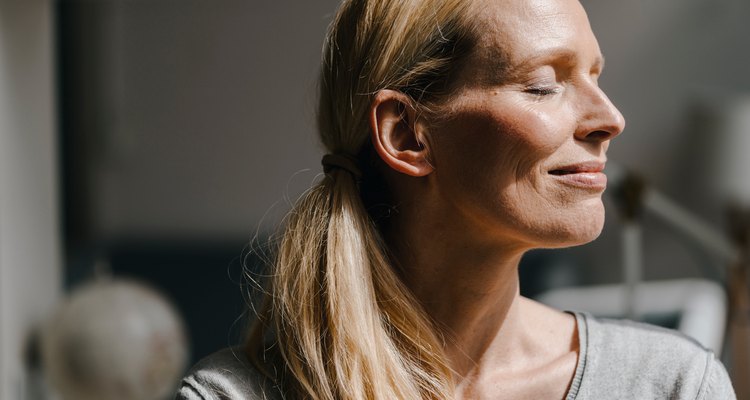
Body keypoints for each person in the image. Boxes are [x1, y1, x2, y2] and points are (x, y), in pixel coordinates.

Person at [175, 0, 737, 398]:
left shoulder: (672, 386)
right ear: (407, 135)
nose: (610, 119)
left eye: (595, 76)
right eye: (544, 84)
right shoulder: (231, 396)